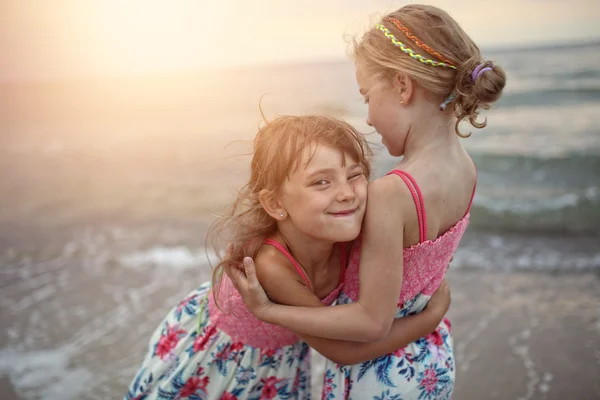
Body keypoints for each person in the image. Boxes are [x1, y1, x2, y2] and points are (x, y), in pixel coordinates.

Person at [225, 4, 506, 399]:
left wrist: (268, 311)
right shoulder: (466, 168)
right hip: (430, 362)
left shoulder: (392, 193)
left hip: (378, 374)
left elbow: (371, 322)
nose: (369, 118)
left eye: (367, 96)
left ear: (402, 86)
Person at [124, 115, 450, 400]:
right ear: (276, 204)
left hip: (284, 360)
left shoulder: (345, 231)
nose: (347, 193)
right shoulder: (270, 265)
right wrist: (429, 319)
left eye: (354, 175)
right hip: (224, 363)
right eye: (321, 182)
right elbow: (342, 351)